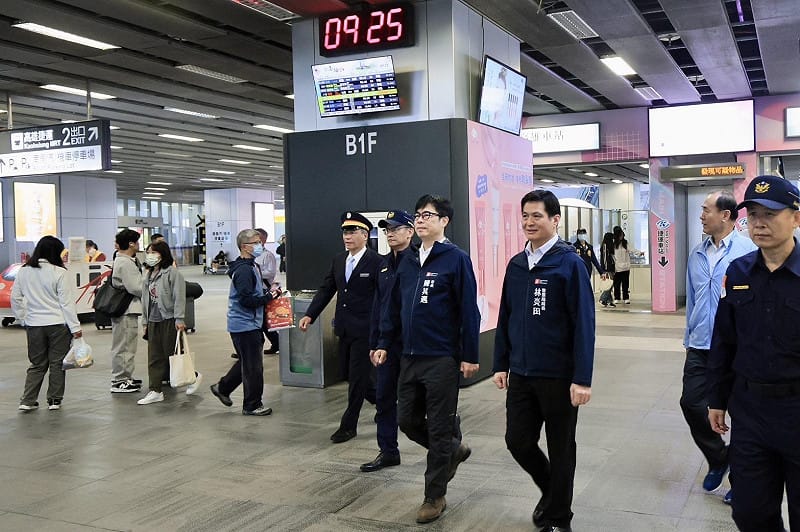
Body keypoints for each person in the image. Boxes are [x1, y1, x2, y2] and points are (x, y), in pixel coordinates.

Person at [374, 195, 480, 524]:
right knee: (406, 420)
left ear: (444, 221)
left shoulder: (455, 259)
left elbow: (469, 311)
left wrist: (469, 355)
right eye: (418, 215)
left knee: (436, 427)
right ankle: (452, 446)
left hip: (442, 358)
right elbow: (393, 306)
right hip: (409, 356)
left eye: (428, 216)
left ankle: (434, 496)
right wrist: (383, 342)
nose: (420, 221)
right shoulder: (408, 260)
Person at [492, 190, 594, 532]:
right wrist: (500, 363)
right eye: (525, 216)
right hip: (521, 372)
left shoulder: (569, 264)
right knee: (516, 440)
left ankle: (558, 517)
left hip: (559, 377)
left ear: (555, 220)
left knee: (561, 447)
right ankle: (553, 490)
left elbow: (584, 325)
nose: (529, 222)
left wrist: (582, 378)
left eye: (537, 216)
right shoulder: (517, 264)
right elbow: (505, 317)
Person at [708, 175, 800, 531]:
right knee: (749, 512)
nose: (759, 223)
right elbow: (724, 340)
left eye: (771, 214)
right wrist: (717, 397)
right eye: (754, 214)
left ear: (795, 217)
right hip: (750, 413)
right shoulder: (739, 272)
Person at [683, 191, 755, 503]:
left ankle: (741, 481)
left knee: (742, 415)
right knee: (691, 403)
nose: (701, 215)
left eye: (706, 210)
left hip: (737, 347)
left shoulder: (747, 251)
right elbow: (693, 299)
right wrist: (688, 339)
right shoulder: (697, 254)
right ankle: (718, 457)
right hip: (700, 345)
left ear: (725, 215)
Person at [299, 212, 382, 442]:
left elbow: (383, 298)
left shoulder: (376, 262)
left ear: (365, 235)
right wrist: (310, 314)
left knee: (356, 379)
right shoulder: (338, 260)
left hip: (365, 331)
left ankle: (348, 425)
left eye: (353, 232)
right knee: (349, 374)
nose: (347, 236)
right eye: (345, 232)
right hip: (344, 328)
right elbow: (327, 289)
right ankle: (384, 404)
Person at [361, 210, 416, 473]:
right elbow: (378, 306)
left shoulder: (418, 261)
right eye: (386, 229)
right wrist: (375, 342)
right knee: (384, 398)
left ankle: (448, 436)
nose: (390, 233)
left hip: (413, 344)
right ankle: (388, 450)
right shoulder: (382, 265)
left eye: (395, 228)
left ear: (410, 231)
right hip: (387, 345)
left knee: (417, 402)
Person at [210, 229, 281, 416]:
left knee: (247, 362)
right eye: (256, 242)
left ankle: (223, 388)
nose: (260, 245)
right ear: (244, 246)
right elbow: (246, 300)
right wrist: (269, 297)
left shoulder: (250, 266)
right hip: (244, 324)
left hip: (250, 322)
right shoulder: (243, 270)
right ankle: (252, 404)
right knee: (253, 368)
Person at [11, 236, 83, 411]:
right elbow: (66, 303)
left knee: (37, 364)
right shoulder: (59, 272)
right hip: (58, 324)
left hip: (34, 325)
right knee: (57, 363)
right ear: (55, 253)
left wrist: (23, 318)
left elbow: (15, 298)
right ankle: (54, 400)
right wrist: (76, 329)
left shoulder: (24, 271)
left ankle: (27, 401)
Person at [139, 241, 199, 405]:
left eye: (153, 252)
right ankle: (155, 390)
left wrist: (179, 319)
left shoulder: (172, 273)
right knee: (154, 356)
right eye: (148, 252)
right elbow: (145, 299)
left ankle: (193, 376)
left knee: (171, 353)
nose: (150, 256)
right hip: (153, 319)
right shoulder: (148, 274)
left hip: (169, 318)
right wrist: (145, 321)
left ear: (162, 254)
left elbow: (179, 297)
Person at [109, 229, 145, 393]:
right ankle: (120, 380)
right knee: (124, 346)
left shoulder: (125, 260)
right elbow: (136, 287)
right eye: (137, 241)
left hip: (126, 309)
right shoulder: (125, 263)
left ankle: (125, 377)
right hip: (125, 309)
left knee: (127, 345)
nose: (138, 245)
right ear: (130, 243)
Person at [255, 228, 280, 355]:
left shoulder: (267, 255)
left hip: (265, 291)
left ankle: (276, 343)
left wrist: (254, 273)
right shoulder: (252, 255)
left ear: (263, 239)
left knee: (264, 321)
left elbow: (270, 272)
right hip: (255, 291)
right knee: (260, 321)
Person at [612, 226, 631, 304]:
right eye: (620, 235)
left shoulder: (625, 243)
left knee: (625, 283)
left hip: (626, 267)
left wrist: (639, 252)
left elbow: (631, 249)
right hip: (617, 268)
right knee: (616, 284)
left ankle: (626, 297)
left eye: (622, 234)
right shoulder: (613, 245)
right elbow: (612, 256)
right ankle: (617, 297)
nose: (621, 236)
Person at [599, 232, 616, 307]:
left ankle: (608, 300)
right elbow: (605, 258)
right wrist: (605, 269)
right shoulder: (605, 246)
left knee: (610, 283)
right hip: (607, 268)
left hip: (611, 267)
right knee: (610, 283)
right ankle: (603, 298)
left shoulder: (609, 246)